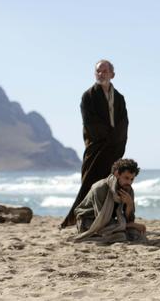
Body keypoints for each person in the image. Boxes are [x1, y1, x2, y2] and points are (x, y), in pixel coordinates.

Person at [61, 59, 129, 229]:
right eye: (98, 71)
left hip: (114, 148)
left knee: (110, 183)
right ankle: (78, 217)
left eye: (105, 71)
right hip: (96, 147)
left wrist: (116, 140)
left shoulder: (120, 98)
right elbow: (90, 123)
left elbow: (123, 122)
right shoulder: (88, 96)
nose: (101, 74)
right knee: (90, 182)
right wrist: (108, 137)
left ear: (112, 74)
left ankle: (107, 217)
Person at [73, 158, 146, 243]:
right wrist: (130, 225)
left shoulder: (128, 190)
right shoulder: (100, 188)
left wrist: (129, 204)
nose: (129, 182)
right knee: (121, 236)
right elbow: (101, 220)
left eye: (132, 179)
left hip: (110, 222)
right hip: (89, 221)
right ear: (117, 174)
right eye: (126, 178)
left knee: (135, 233)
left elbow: (129, 220)